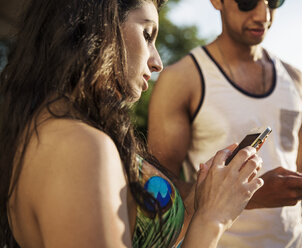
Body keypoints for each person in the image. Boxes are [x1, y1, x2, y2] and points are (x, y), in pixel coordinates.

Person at [0, 0, 265, 247]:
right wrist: (212, 220)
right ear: (98, 23)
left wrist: (204, 199)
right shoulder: (79, 146)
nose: (158, 62)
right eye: (147, 35)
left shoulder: (57, 129)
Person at [148, 0, 302, 247]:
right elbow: (160, 188)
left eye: (273, 2)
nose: (263, 15)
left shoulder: (294, 79)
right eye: (248, 2)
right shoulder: (182, 78)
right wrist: (254, 196)